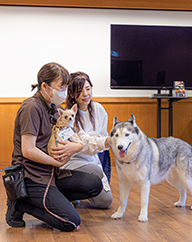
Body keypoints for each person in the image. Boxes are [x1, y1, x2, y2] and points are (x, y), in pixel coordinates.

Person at [6, 62, 103, 231]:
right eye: (61, 87)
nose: (64, 92)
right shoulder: (31, 108)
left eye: (66, 87)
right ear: (45, 86)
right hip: (32, 176)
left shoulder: (53, 107)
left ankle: (53, 200)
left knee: (95, 184)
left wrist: (78, 145)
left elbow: (68, 131)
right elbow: (28, 150)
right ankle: (20, 204)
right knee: (71, 222)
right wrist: (56, 162)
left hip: (52, 172)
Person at [61, 72, 113, 209]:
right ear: (71, 93)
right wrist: (107, 141)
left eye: (88, 88)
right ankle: (67, 192)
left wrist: (102, 141)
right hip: (73, 162)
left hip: (92, 160)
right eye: (80, 91)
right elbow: (83, 144)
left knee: (106, 201)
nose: (86, 94)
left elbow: (102, 137)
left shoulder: (98, 109)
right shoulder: (69, 115)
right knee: (95, 170)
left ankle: (78, 191)